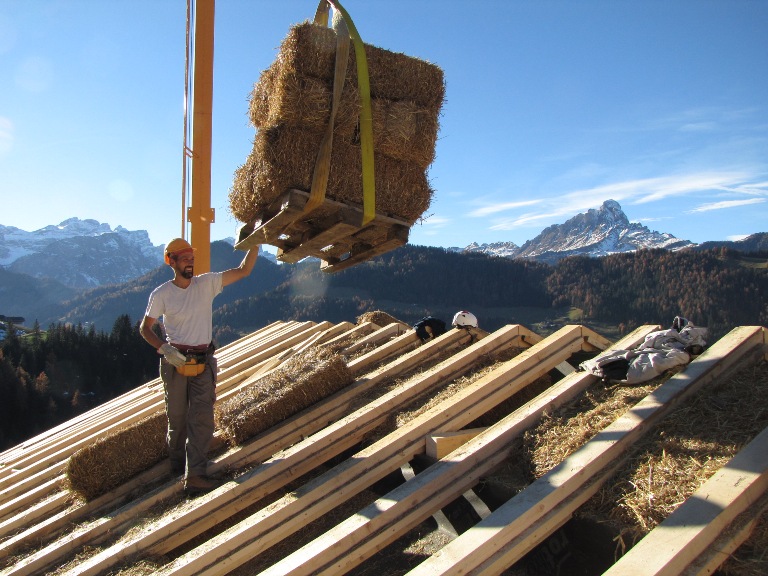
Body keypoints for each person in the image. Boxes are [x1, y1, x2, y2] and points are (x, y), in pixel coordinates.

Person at [140, 237, 259, 494]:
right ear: (171, 261)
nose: (190, 264)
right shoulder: (161, 294)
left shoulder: (206, 284)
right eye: (184, 259)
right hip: (175, 363)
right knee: (178, 419)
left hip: (203, 362)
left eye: (191, 259)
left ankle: (194, 475)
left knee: (202, 418)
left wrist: (255, 244)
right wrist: (165, 349)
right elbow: (145, 329)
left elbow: (244, 271)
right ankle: (177, 465)